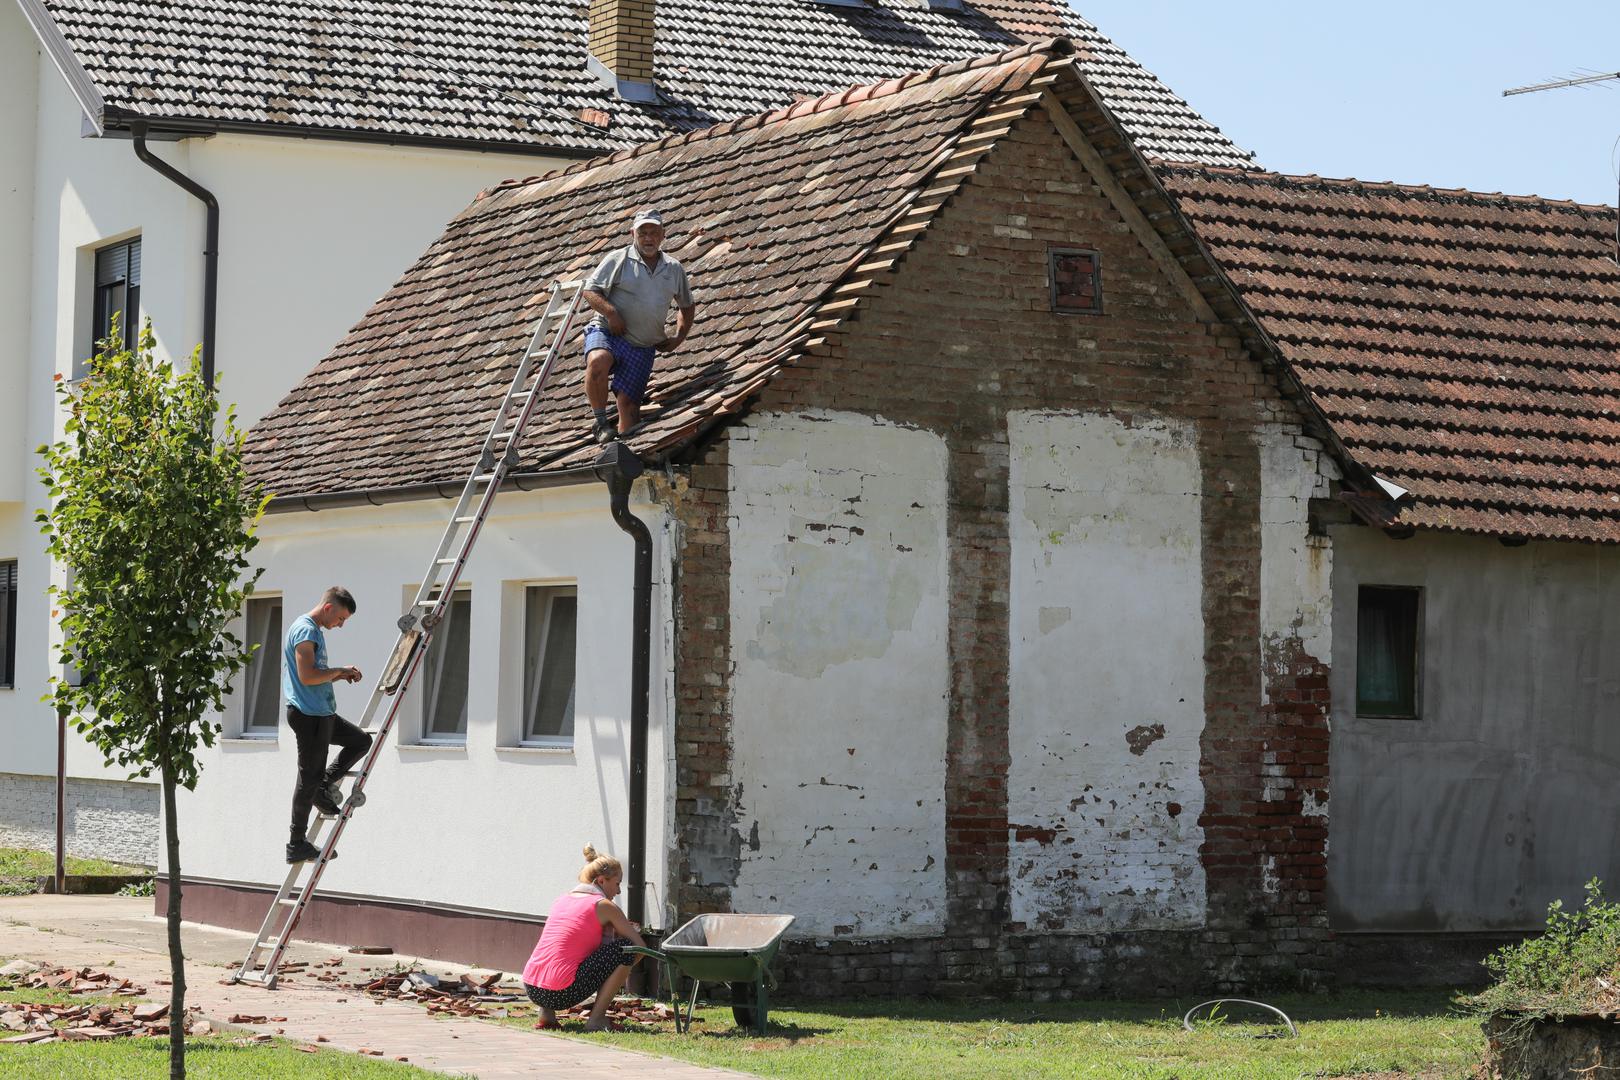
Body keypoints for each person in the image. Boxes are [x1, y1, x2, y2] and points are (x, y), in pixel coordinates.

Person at [581, 209, 697, 444]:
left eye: (654, 232)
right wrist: (611, 313)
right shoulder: (619, 259)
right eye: (643, 232)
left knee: (629, 406)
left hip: (643, 345)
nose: (648, 238)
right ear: (633, 233)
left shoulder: (673, 269)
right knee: (598, 360)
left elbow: (687, 305)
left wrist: (678, 338)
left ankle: (624, 450)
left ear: (663, 235)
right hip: (608, 331)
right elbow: (590, 291)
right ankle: (601, 422)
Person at [282, 586, 372, 864]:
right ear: (329, 608)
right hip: (309, 716)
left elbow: (315, 676)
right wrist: (338, 671)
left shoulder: (314, 631)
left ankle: (324, 784)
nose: (341, 625)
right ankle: (297, 843)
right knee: (307, 780)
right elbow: (307, 676)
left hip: (322, 714)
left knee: (361, 741)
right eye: (341, 619)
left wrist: (339, 675)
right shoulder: (306, 630)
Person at [522, 845, 647, 1031]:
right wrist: (613, 974)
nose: (618, 891)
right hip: (562, 993)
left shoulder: (562, 900)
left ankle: (546, 1016)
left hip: (532, 988)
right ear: (602, 881)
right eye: (617, 883)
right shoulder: (604, 905)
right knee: (627, 949)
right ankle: (596, 1019)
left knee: (558, 953)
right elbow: (639, 947)